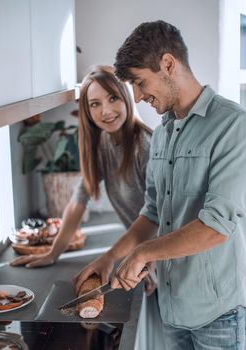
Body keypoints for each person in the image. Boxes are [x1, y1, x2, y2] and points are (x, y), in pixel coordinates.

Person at [75, 21, 246, 350]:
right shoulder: (165, 133)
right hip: (173, 306)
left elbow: (216, 226)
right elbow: (152, 212)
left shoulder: (233, 126)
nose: (136, 97)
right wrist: (110, 258)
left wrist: (142, 253)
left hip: (220, 314)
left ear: (168, 64)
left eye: (140, 83)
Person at [11, 65, 160, 350]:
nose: (106, 110)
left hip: (160, 259)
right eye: (95, 104)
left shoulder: (145, 146)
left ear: (126, 96)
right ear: (87, 111)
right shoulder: (104, 141)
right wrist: (54, 252)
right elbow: (78, 201)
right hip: (140, 258)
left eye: (113, 98)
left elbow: (158, 217)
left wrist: (141, 259)